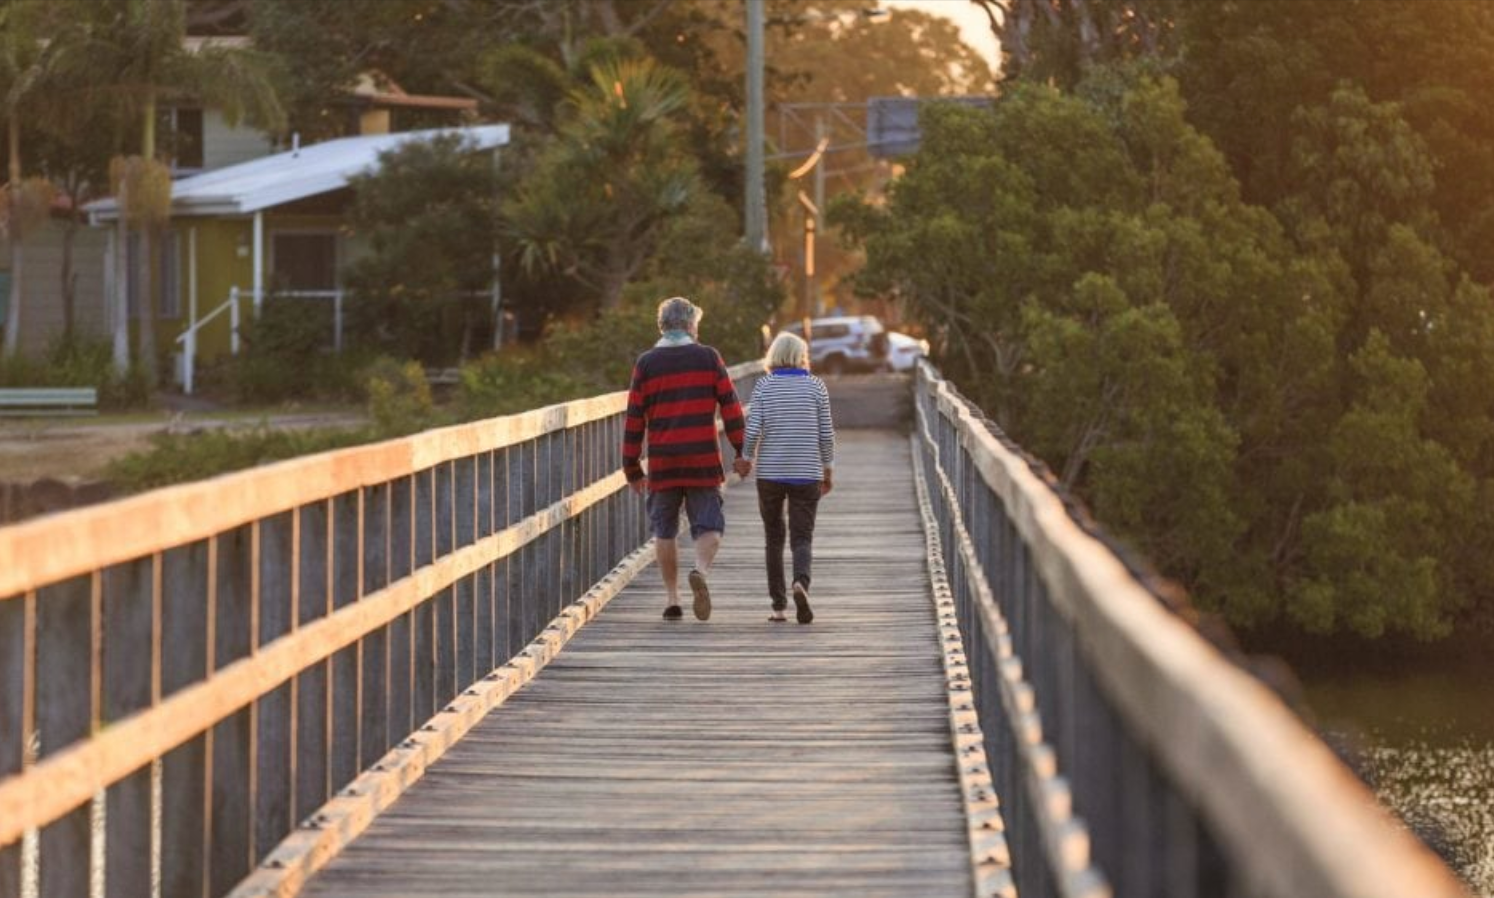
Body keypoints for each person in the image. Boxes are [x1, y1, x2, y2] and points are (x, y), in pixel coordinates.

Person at [622, 296, 746, 621]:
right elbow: (731, 408)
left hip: (663, 462)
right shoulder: (708, 357)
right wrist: (741, 450)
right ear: (691, 325)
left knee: (664, 530)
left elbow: (634, 418)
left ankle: (671, 598)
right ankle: (700, 572)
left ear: (661, 326)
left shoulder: (646, 363)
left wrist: (632, 467)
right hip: (702, 458)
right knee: (710, 526)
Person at [734, 332, 835, 623]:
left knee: (774, 537)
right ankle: (800, 582)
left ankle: (778, 607)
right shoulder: (816, 386)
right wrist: (827, 469)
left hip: (771, 473)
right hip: (807, 472)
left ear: (773, 356)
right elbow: (826, 434)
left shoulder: (764, 385)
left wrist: (746, 459)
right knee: (802, 536)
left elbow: (752, 430)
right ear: (801, 356)